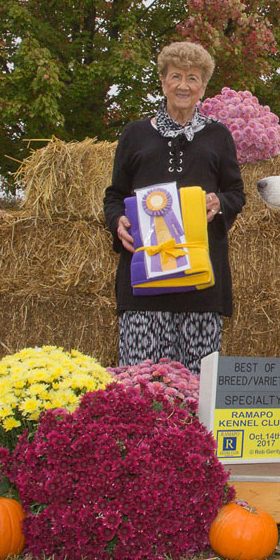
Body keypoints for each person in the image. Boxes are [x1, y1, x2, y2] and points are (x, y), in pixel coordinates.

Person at [103, 41, 245, 373]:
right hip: (144, 285)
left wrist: (219, 203)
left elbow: (236, 193)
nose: (183, 85)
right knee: (140, 390)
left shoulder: (219, 136)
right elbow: (114, 195)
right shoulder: (135, 134)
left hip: (201, 284)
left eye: (192, 78)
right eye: (176, 76)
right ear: (163, 81)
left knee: (198, 392)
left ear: (203, 86)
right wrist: (117, 221)